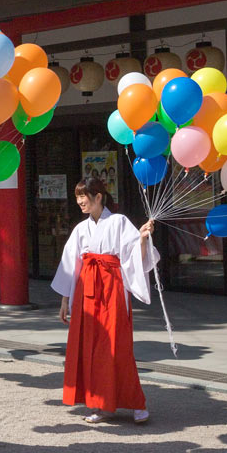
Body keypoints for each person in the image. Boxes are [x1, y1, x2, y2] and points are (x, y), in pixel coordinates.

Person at [51, 176, 157, 424]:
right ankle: (98, 403)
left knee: (116, 346)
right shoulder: (81, 229)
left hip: (112, 288)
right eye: (77, 197)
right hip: (87, 290)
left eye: (83, 196)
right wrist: (66, 299)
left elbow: (133, 257)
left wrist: (142, 238)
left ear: (99, 197)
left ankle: (136, 403)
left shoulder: (119, 222)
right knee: (91, 347)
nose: (79, 202)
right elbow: (70, 265)